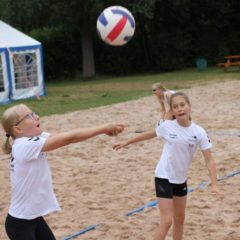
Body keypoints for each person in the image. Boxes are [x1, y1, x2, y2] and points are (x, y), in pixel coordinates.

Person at [1, 103, 125, 240]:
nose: (36, 116)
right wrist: (103, 128)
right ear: (18, 129)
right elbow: (68, 138)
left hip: (34, 218)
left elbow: (67, 136)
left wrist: (102, 130)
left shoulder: (34, 139)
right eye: (29, 116)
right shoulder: (24, 145)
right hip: (20, 224)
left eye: (33, 112)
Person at [113, 92, 223, 240]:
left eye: (182, 105)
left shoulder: (199, 132)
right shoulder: (167, 126)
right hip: (163, 177)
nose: (179, 109)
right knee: (166, 221)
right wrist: (126, 142)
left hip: (180, 179)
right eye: (175, 106)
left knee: (180, 219)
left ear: (189, 107)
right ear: (172, 111)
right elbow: (149, 134)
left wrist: (214, 184)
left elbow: (209, 159)